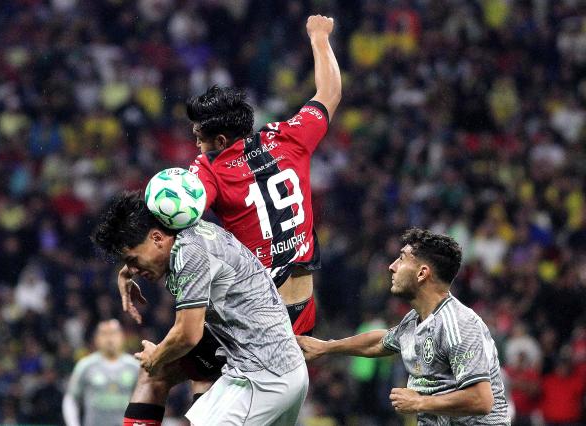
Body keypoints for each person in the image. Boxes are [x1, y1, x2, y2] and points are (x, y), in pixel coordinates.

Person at [185, 14, 341, 337]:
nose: (198, 147)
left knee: (169, 371)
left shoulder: (209, 168)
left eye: (200, 139)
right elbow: (330, 93)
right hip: (303, 307)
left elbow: (185, 212)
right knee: (291, 383)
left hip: (258, 312)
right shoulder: (289, 136)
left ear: (220, 142)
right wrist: (319, 38)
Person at [92, 192, 308, 426]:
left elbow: (187, 334)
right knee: (161, 372)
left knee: (157, 366)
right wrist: (128, 268)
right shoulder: (189, 233)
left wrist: (154, 358)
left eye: (133, 260)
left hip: (263, 378)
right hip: (276, 365)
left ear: (156, 238)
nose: (133, 269)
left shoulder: (190, 255)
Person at [297, 229, 511, 425]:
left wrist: (420, 403)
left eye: (401, 258)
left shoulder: (458, 323)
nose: (392, 266)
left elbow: (481, 400)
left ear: (422, 273)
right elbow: (380, 342)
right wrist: (327, 347)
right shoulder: (414, 319)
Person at [63, 319, 139, 426]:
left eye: (113, 333)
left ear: (122, 337)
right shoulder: (85, 365)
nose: (109, 339)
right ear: (96, 339)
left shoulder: (134, 366)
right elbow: (71, 398)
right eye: (104, 334)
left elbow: (145, 399)